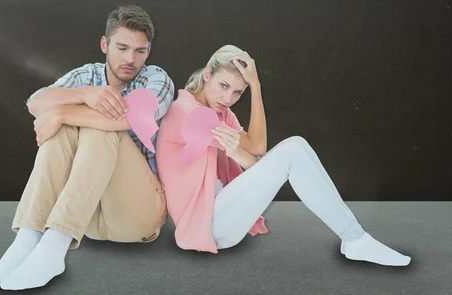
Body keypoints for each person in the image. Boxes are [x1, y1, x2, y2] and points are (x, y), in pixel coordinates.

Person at [155, 45, 411, 267]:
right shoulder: (186, 111)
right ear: (207, 74)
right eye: (223, 85)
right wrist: (242, 154)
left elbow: (256, 150)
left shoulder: (221, 113)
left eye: (237, 92)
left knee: (294, 148)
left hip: (224, 214)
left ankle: (355, 239)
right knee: (293, 149)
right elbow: (256, 155)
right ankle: (355, 240)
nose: (228, 98)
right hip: (206, 225)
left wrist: (255, 85)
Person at [0, 5, 174, 290]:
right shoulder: (88, 75)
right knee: (70, 123)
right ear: (104, 44)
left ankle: (54, 246)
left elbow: (134, 118)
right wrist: (84, 94)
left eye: (140, 51)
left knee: (101, 124)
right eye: (122, 48)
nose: (131, 59)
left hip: (138, 215)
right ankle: (28, 238)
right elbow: (36, 103)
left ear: (148, 52)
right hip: (87, 219)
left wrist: (61, 113)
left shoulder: (156, 79)